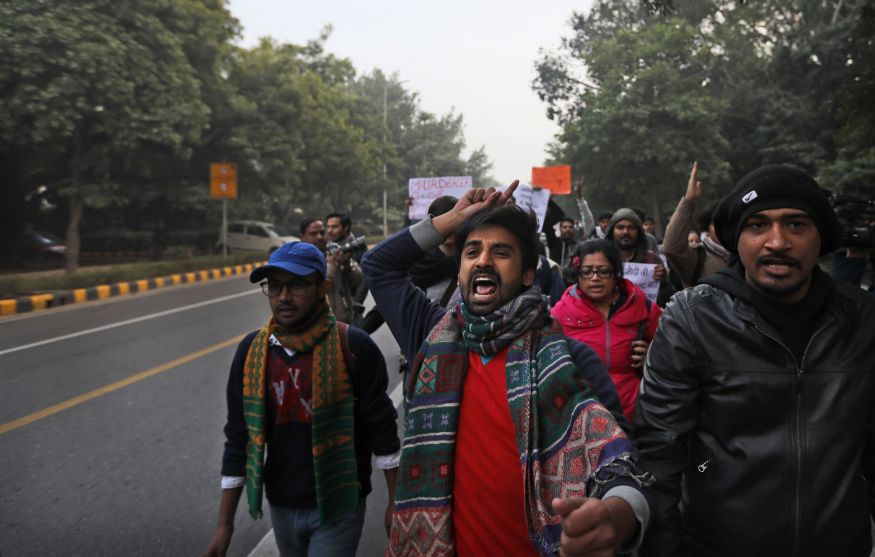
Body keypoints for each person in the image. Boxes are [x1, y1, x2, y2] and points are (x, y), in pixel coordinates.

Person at [362, 183, 651, 557]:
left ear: (528, 274)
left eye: (500, 252)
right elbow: (378, 265)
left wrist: (615, 517)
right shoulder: (429, 336)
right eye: (471, 252)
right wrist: (452, 221)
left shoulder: (570, 359)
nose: (483, 261)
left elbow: (622, 463)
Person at [634, 164, 875, 557]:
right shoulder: (692, 318)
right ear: (737, 238)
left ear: (821, 238)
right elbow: (659, 452)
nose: (777, 242)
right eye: (758, 225)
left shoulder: (863, 320)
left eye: (796, 225)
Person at [203, 241, 400, 557]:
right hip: (280, 503)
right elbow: (239, 436)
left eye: (296, 285)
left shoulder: (354, 346)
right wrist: (224, 526)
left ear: (323, 287)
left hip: (340, 503)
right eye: (275, 286)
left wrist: (395, 504)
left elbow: (383, 432)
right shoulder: (253, 352)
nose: (283, 297)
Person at [551, 240, 662, 424]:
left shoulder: (643, 308)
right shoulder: (560, 314)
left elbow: (673, 351)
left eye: (603, 271)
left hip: (636, 414)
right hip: (581, 415)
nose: (595, 278)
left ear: (615, 272)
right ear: (577, 274)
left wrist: (653, 356)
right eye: (587, 272)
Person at [662, 161, 730, 288]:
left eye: (729, 222)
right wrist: (689, 200)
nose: (724, 228)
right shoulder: (697, 257)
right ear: (706, 229)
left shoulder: (744, 255)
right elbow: (671, 247)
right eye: (717, 224)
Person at [300, 218, 362, 324]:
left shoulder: (334, 250)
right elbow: (318, 284)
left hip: (347, 320)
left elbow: (359, 279)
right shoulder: (299, 259)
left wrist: (346, 265)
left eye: (322, 232)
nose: (319, 237)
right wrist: (332, 264)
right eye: (313, 234)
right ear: (302, 237)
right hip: (320, 325)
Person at [606, 208, 674, 306]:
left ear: (639, 232)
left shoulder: (652, 260)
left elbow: (667, 300)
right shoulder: (602, 260)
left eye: (631, 228)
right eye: (620, 227)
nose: (625, 232)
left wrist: (663, 282)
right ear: (611, 231)